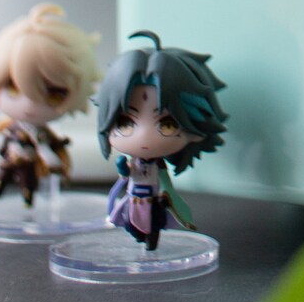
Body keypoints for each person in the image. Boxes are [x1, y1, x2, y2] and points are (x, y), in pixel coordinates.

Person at [97, 31, 227, 250]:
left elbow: (165, 183)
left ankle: (150, 243)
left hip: (153, 201)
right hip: (134, 199)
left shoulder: (159, 167)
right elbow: (125, 175)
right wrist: (123, 169)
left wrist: (167, 196)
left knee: (154, 225)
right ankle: (141, 238)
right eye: (126, 123)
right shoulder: (134, 163)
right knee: (131, 224)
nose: (144, 136)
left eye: (167, 125)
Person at [0, 3, 100, 205]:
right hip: (12, 156)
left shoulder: (43, 134)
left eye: (53, 93)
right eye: (13, 88)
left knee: (28, 180)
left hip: (30, 160)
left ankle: (28, 199)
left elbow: (51, 146)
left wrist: (55, 155)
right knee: (4, 173)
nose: (29, 105)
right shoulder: (11, 125)